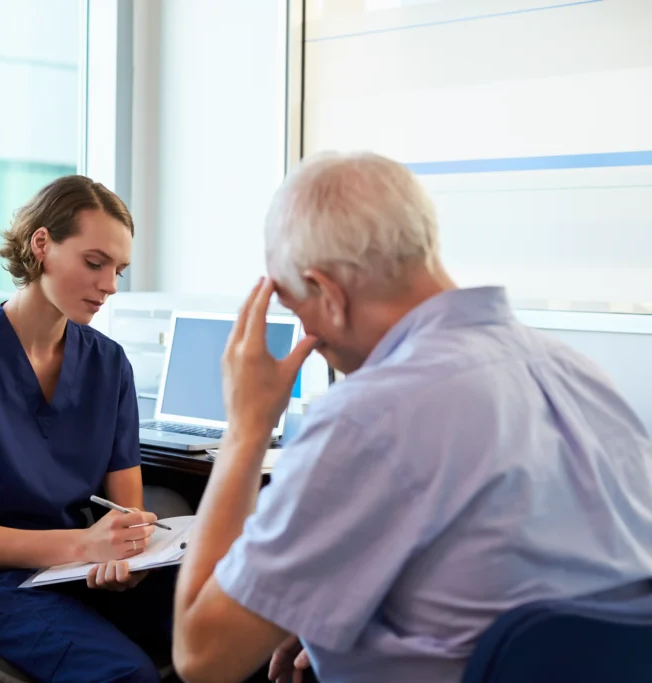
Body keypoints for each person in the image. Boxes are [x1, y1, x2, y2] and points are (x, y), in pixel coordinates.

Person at [170, 151, 652, 683]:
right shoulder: (579, 375)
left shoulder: (366, 419)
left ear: (328, 294)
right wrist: (315, 604)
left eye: (293, 304)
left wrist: (246, 429)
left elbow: (203, 656)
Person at [0, 175, 175, 683]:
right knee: (125, 675)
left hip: (75, 569)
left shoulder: (109, 365)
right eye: (95, 263)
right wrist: (87, 546)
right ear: (41, 245)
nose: (111, 285)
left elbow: (127, 509)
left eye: (119, 269)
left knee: (236, 624)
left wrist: (123, 555)